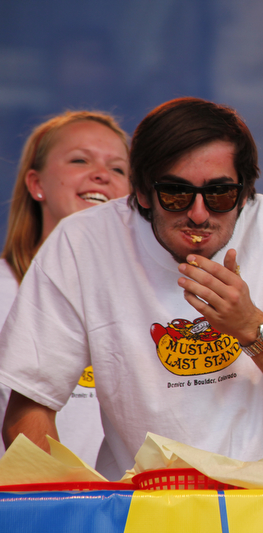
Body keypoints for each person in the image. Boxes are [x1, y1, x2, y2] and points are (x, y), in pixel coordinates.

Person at [0, 97, 263, 480]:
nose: (198, 213)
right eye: (176, 194)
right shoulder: (84, 242)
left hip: (260, 512)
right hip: (136, 511)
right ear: (143, 193)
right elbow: (27, 409)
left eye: (219, 194)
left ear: (245, 193)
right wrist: (77, 502)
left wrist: (252, 327)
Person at [0, 111, 130, 464]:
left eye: (119, 169)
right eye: (80, 160)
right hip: (32, 512)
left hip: (131, 513)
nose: (102, 174)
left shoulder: (144, 299)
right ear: (36, 183)